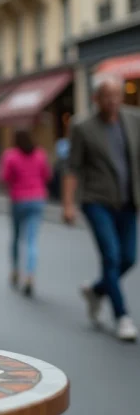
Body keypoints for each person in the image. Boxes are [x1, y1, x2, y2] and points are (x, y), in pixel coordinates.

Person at [62, 73, 139, 342]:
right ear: (96, 98)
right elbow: (72, 167)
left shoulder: (133, 119)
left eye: (117, 96)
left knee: (129, 257)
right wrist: (69, 204)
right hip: (96, 201)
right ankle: (122, 316)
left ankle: (96, 291)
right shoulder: (82, 126)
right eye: (107, 97)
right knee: (111, 256)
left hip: (129, 200)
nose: (113, 102)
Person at [0, 130, 50, 296]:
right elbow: (47, 175)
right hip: (37, 199)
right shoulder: (40, 154)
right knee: (32, 240)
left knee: (16, 237)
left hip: (19, 200)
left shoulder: (11, 156)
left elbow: (5, 177)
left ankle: (15, 270)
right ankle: (29, 275)